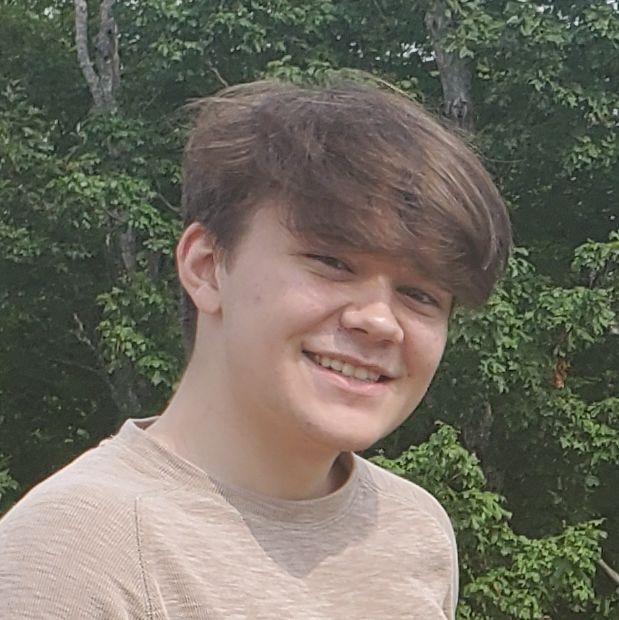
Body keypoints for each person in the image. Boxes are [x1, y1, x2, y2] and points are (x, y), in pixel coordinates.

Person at [0, 79, 511, 619]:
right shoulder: (75, 555)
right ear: (206, 267)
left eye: (421, 294)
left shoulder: (414, 530)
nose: (380, 321)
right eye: (333, 263)